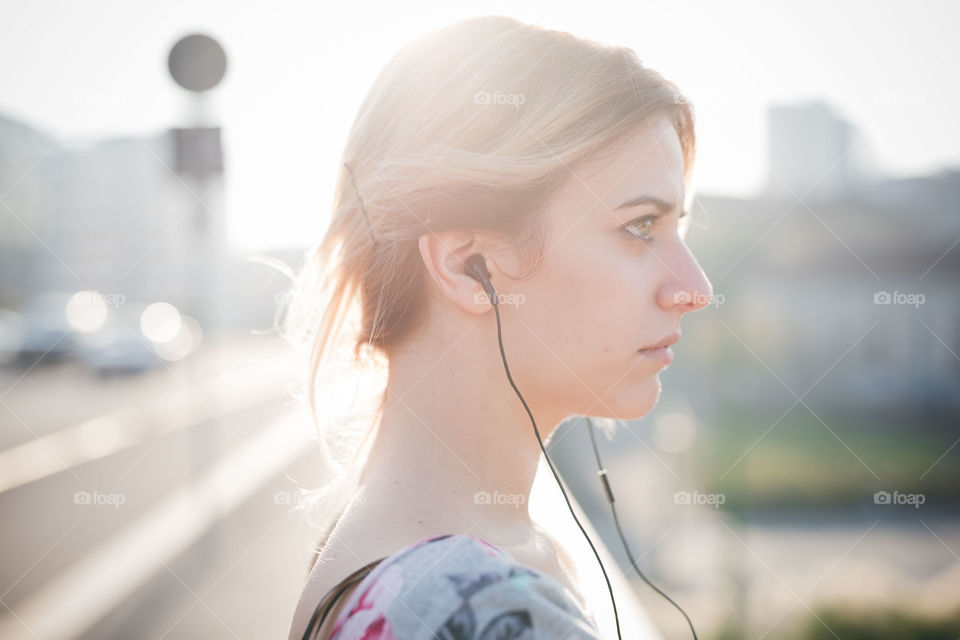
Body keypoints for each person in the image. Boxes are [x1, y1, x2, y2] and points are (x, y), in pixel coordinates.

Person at [285, 14, 713, 640]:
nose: (695, 290)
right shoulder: (485, 614)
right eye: (640, 226)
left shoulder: (399, 554)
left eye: (679, 227)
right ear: (469, 266)